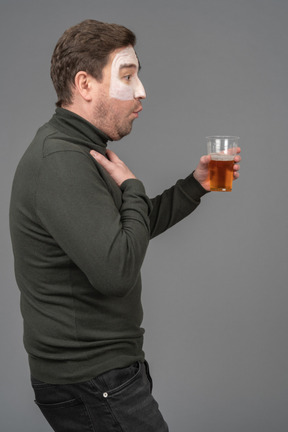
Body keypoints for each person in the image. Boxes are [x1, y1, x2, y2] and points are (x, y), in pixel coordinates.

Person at [9, 19, 241, 432]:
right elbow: (116, 269)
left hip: (101, 373)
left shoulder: (81, 149)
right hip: (92, 378)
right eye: (128, 76)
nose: (142, 91)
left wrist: (196, 185)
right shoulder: (61, 160)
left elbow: (123, 233)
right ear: (84, 84)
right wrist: (132, 187)